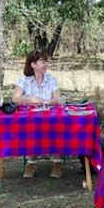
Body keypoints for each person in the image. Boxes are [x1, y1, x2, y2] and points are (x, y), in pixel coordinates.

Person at [13, 50, 63, 179]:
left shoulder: (51, 79)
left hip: (49, 116)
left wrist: (46, 101)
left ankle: (57, 162)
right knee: (31, 128)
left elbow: (57, 99)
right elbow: (15, 99)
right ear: (33, 64)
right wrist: (29, 99)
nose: (45, 64)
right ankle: (31, 162)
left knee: (55, 127)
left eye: (46, 61)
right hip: (31, 117)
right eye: (42, 61)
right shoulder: (24, 80)